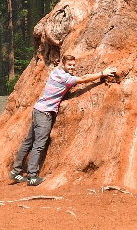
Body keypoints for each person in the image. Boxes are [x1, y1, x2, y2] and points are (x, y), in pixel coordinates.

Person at [9, 55, 116, 186]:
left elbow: (64, 70)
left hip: (37, 109)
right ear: (63, 64)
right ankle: (32, 176)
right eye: (69, 65)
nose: (72, 67)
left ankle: (16, 171)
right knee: (39, 144)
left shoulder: (55, 71)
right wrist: (102, 73)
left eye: (73, 65)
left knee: (28, 142)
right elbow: (83, 79)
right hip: (45, 113)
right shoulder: (65, 78)